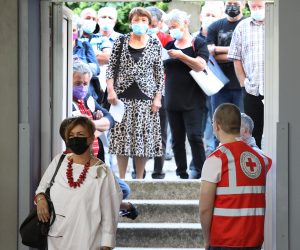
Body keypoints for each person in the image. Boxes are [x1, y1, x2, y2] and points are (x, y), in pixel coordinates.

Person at [35, 116, 122, 249]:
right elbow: (41, 189)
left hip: (88, 241)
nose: (75, 139)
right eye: (71, 135)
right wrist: (41, 200)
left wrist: (106, 245)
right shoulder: (59, 161)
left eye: (80, 135)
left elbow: (109, 214)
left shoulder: (102, 172)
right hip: (55, 240)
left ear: (91, 138)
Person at [199, 103, 272, 250]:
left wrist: (207, 239)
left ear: (217, 126)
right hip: (254, 240)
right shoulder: (261, 159)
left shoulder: (216, 159)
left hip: (224, 240)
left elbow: (204, 208)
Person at [106, 7, 164, 179]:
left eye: (144, 20)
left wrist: (158, 98)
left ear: (149, 23)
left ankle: (140, 179)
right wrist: (110, 90)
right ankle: (122, 179)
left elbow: (159, 72)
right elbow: (111, 68)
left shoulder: (154, 43)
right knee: (121, 140)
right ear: (131, 22)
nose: (140, 23)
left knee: (142, 141)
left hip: (146, 98)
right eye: (136, 20)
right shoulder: (121, 41)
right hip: (122, 97)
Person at [59, 117, 138, 220]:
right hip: (72, 218)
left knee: (121, 190)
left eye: (81, 135)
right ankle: (125, 207)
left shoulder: (97, 166)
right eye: (72, 136)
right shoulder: (60, 163)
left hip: (89, 219)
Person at [163, 9, 209, 179]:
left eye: (174, 26)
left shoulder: (199, 43)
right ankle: (181, 173)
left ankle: (203, 172)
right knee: (176, 140)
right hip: (172, 98)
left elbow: (200, 65)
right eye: (169, 27)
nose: (172, 30)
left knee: (195, 136)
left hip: (193, 98)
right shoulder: (168, 46)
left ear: (185, 24)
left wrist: (182, 56)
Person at [228, 0, 266, 148]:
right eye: (253, 6)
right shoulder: (242, 27)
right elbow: (236, 58)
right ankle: (256, 168)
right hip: (252, 87)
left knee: (279, 129)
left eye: (260, 6)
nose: (256, 9)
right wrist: (243, 82)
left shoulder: (277, 24)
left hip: (276, 89)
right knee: (253, 133)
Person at [207, 0, 245, 113]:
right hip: (219, 86)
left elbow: (247, 53)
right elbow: (209, 55)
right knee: (220, 124)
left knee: (242, 124)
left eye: (236, 3)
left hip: (242, 85)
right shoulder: (214, 26)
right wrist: (237, 54)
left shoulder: (247, 24)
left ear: (243, 5)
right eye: (229, 3)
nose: (232, 6)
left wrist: (217, 49)